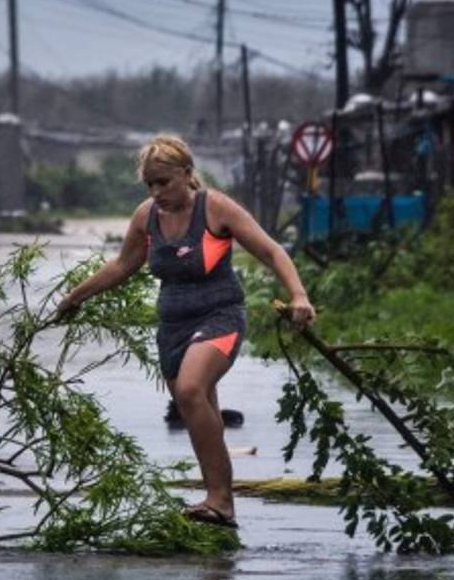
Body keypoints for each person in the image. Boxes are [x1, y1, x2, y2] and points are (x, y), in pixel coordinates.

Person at [56, 135, 315, 529]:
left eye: (164, 182)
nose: (157, 192)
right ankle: (218, 501)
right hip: (173, 327)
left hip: (220, 316)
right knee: (197, 408)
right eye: (150, 184)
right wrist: (75, 297)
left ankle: (221, 501)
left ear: (187, 174)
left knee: (192, 390)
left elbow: (271, 251)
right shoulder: (146, 216)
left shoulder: (215, 208)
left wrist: (298, 295)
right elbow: (122, 265)